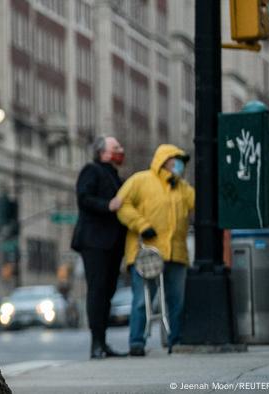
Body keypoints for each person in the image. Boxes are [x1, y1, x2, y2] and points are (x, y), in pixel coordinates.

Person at [115, 144, 195, 357]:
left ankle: (175, 340)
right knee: (142, 301)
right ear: (164, 161)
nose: (178, 165)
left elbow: (199, 204)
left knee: (177, 301)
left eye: (181, 161)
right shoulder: (140, 180)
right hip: (145, 254)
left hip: (175, 253)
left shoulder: (183, 188)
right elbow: (122, 205)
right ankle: (137, 342)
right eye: (174, 160)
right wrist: (142, 225)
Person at [71, 136, 128, 359]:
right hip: (94, 242)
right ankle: (96, 344)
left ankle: (103, 344)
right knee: (97, 291)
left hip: (113, 244)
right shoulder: (91, 170)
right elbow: (83, 198)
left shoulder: (116, 176)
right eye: (116, 148)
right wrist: (108, 205)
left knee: (107, 292)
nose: (120, 151)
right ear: (102, 152)